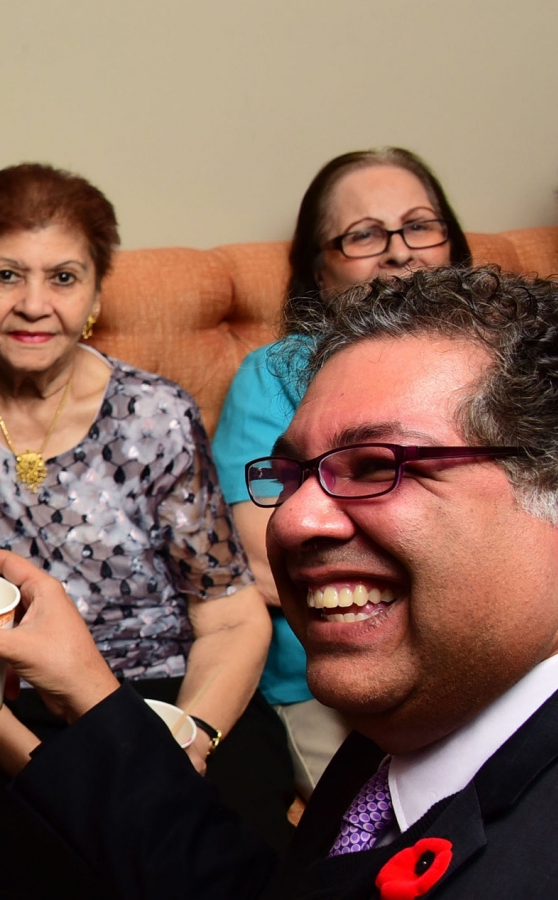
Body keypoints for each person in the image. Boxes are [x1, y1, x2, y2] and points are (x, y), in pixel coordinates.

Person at [0, 266, 558, 898]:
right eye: (291, 476)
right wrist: (89, 692)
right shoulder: (416, 729)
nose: (291, 520)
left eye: (378, 466)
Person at [0, 163, 291, 848]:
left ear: (95, 291)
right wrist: (64, 778)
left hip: (166, 699)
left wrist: (187, 743)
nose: (36, 304)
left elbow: (232, 617)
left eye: (63, 277)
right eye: (7, 275)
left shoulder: (155, 415)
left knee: (244, 854)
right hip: (5, 714)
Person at [210, 148, 472, 797]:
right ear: (319, 272)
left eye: (419, 225)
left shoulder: (505, 367)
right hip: (336, 678)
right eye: (363, 235)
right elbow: (267, 558)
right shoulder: (274, 376)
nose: (399, 251)